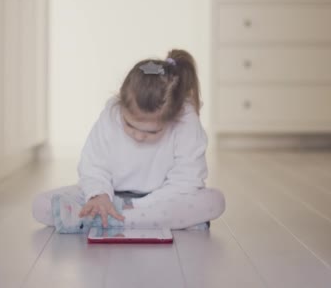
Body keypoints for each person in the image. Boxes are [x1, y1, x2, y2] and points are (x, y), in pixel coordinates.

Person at [32, 49, 225, 233]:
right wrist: (99, 196)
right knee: (41, 205)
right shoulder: (112, 113)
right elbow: (93, 164)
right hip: (110, 194)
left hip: (161, 199)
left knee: (215, 201)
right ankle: (138, 219)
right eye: (130, 125)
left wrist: (137, 205)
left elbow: (187, 180)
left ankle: (104, 221)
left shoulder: (185, 120)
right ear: (121, 104)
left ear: (173, 117)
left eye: (152, 131)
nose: (139, 136)